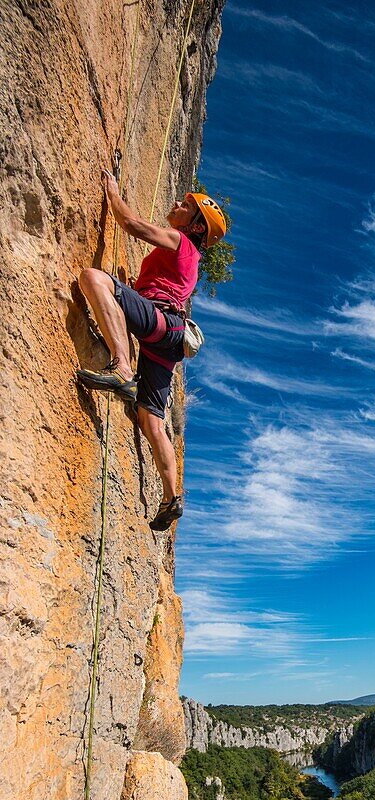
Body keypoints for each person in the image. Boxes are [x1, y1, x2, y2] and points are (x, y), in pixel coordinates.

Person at [77, 171, 227, 531]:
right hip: (170, 336)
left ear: (195, 227)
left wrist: (113, 194)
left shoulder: (181, 242)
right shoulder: (187, 260)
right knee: (151, 419)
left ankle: (122, 369)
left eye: (186, 206)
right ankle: (171, 496)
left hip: (162, 323)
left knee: (93, 278)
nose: (177, 204)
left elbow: (131, 224)